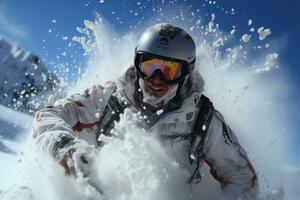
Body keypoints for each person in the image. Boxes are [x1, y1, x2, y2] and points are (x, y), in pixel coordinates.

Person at [32, 23, 258, 199]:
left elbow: (241, 176)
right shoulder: (111, 96)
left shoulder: (203, 118)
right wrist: (64, 147)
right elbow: (48, 116)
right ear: (137, 62)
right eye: (149, 66)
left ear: (186, 72)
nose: (156, 80)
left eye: (169, 70)